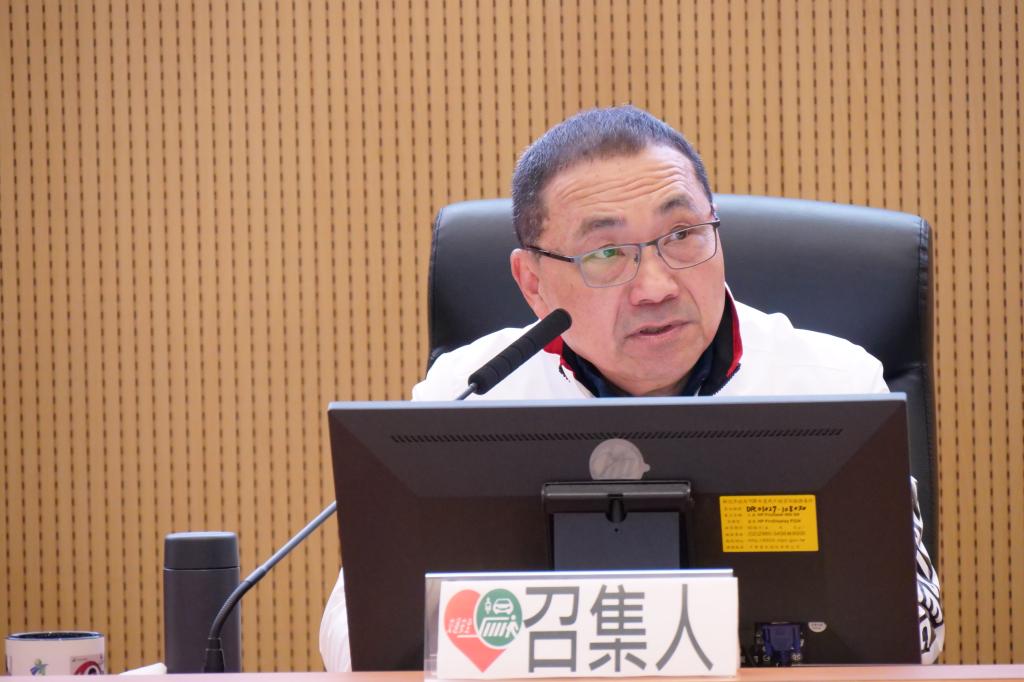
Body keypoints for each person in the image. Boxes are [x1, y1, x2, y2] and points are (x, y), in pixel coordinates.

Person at [320, 106, 944, 669]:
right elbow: (355, 641)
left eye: (682, 236)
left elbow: (917, 630)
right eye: (606, 254)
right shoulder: (469, 395)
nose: (656, 287)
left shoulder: (831, 384)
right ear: (532, 282)